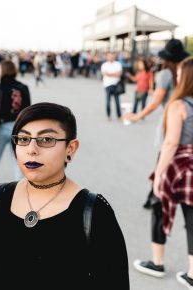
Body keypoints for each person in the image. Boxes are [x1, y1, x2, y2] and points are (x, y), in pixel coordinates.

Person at [0, 102, 129, 289]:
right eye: (24, 139)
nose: (32, 149)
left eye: (47, 140)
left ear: (70, 149)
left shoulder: (94, 212)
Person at [134, 57, 193, 289]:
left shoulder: (178, 105)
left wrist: (158, 175)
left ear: (185, 78)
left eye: (179, 74)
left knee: (158, 207)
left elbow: (170, 143)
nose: (176, 77)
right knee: (192, 218)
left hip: (178, 163)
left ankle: (157, 263)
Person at [124, 39, 190, 209]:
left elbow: (155, 102)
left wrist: (137, 116)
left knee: (164, 158)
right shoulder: (186, 73)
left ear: (166, 58)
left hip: (171, 119)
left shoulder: (166, 74)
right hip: (187, 118)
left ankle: (155, 197)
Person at [0, 60, 30, 192]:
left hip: (3, 126)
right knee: (16, 158)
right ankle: (19, 186)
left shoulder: (1, 87)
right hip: (19, 128)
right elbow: (28, 109)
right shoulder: (24, 87)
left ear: (3, 71)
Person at [101, 52, 123, 121]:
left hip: (116, 85)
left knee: (117, 101)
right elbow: (104, 73)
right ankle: (108, 115)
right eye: (109, 56)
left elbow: (119, 74)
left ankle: (119, 116)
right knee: (108, 101)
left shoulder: (118, 64)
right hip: (107, 85)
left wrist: (109, 74)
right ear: (107, 57)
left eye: (112, 56)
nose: (111, 57)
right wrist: (113, 74)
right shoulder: (104, 65)